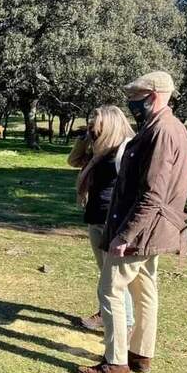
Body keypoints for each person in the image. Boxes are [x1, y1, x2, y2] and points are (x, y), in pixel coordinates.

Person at [77, 71, 187, 373]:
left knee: (111, 290)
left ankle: (115, 363)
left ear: (152, 96)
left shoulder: (161, 133)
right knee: (144, 288)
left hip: (141, 228)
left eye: (135, 98)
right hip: (155, 227)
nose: (131, 104)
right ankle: (141, 354)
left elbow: (153, 193)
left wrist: (125, 234)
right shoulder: (171, 128)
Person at [67, 105, 135, 334]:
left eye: (96, 126)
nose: (93, 130)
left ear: (111, 125)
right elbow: (73, 160)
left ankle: (125, 324)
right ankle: (106, 313)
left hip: (112, 220)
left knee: (115, 278)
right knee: (105, 272)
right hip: (95, 216)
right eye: (91, 126)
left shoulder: (126, 150)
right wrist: (84, 138)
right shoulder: (99, 151)